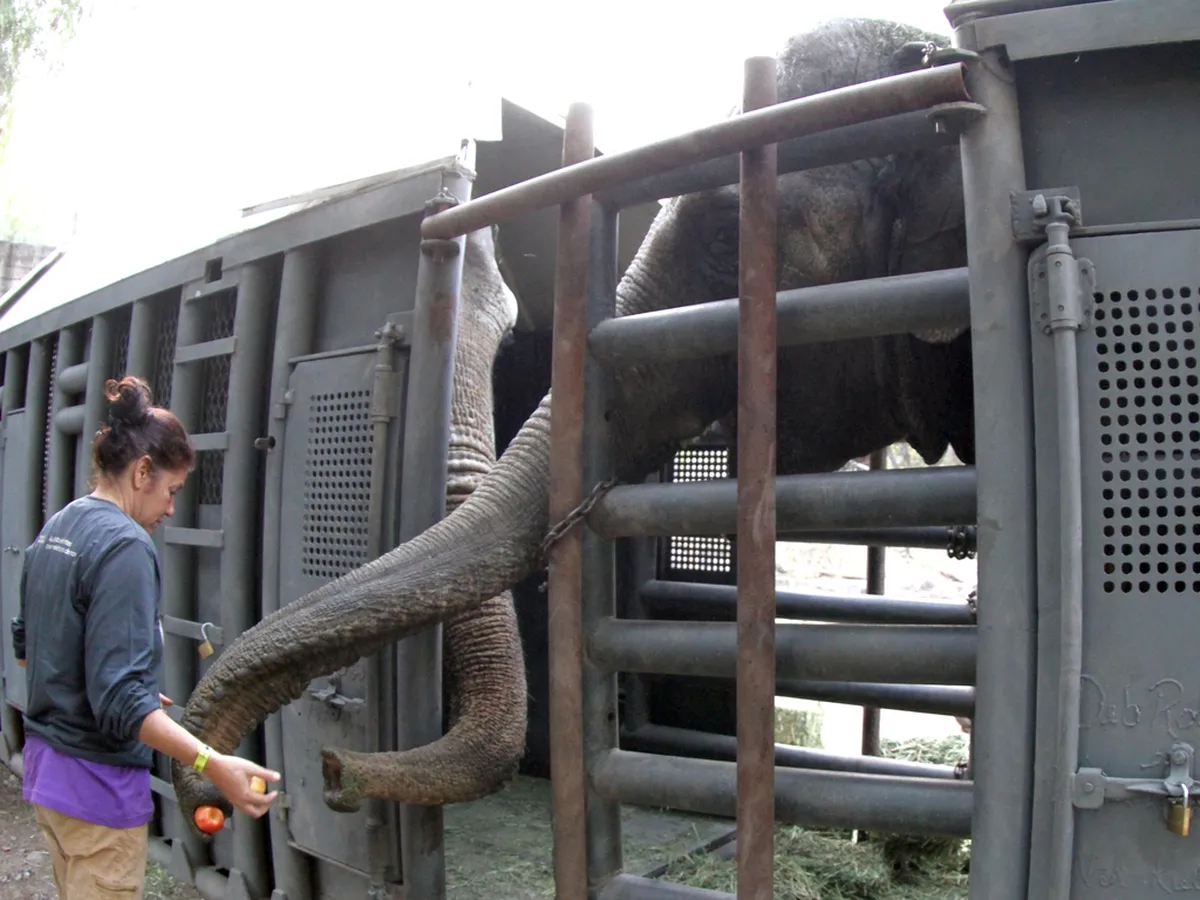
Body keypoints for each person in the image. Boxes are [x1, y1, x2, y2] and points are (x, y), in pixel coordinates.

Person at [12, 375, 278, 899]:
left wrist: (111, 685)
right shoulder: (126, 545)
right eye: (172, 490)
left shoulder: (58, 527)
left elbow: (32, 653)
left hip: (49, 779)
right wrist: (213, 764)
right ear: (141, 472)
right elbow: (122, 706)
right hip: (98, 795)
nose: (172, 508)